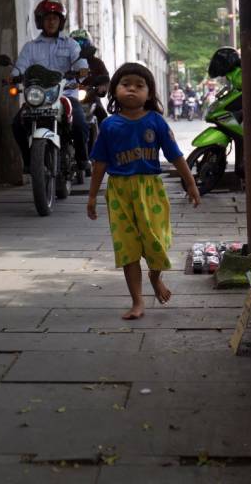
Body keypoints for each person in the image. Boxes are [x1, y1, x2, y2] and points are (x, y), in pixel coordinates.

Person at [86, 63, 201, 320]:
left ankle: (155, 275)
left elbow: (175, 156)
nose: (132, 90)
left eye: (139, 86)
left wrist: (191, 183)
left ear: (149, 94)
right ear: (114, 90)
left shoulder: (155, 122)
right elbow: (100, 164)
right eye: (126, 84)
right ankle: (137, 302)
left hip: (150, 191)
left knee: (155, 242)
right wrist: (92, 196)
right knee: (128, 248)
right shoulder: (109, 126)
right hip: (119, 193)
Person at [11, 0, 89, 172]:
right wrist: (14, 76)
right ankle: (29, 162)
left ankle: (83, 159)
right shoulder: (30, 47)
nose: (51, 22)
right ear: (40, 21)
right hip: (38, 97)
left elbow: (80, 63)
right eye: (47, 18)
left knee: (80, 124)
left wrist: (82, 70)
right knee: (17, 124)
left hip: (65, 95)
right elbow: (20, 68)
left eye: (55, 18)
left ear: (61, 21)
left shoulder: (71, 44)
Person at [70, 29, 109, 124]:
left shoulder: (97, 63)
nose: (78, 45)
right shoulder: (64, 62)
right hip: (69, 96)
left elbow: (105, 77)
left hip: (90, 97)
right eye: (74, 42)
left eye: (81, 42)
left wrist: (102, 87)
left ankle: (104, 136)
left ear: (88, 44)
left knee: (102, 114)